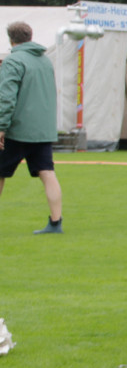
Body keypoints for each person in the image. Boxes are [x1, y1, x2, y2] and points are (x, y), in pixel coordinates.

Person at [0, 21, 64, 234]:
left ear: (11, 39)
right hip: (42, 130)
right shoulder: (45, 61)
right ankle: (56, 222)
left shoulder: (13, 61)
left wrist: (1, 127)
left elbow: (6, 98)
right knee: (47, 172)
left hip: (17, 129)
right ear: (30, 36)